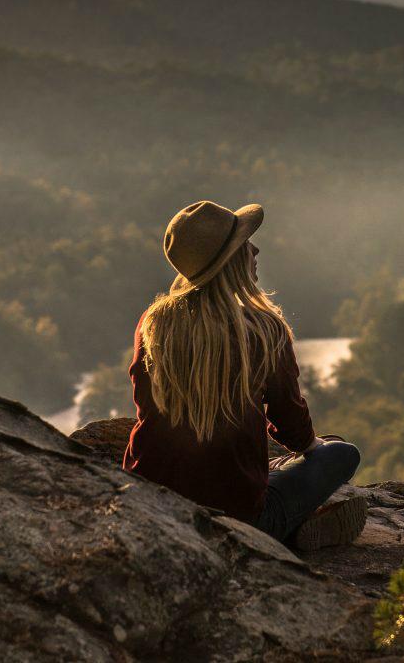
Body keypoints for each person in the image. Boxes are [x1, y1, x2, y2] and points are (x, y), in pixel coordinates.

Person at [122, 200, 366, 550]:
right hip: (236, 519)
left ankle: (295, 517)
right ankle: (294, 531)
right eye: (244, 244)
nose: (255, 249)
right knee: (341, 452)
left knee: (287, 461)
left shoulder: (154, 325)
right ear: (231, 261)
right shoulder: (263, 330)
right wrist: (313, 447)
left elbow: (144, 403)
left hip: (151, 500)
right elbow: (289, 421)